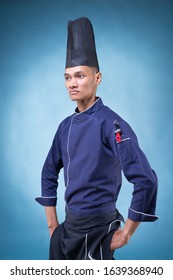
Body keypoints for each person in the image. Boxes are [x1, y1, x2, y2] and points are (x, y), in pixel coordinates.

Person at [36, 17, 158, 260]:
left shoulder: (113, 125)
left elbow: (145, 180)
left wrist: (125, 236)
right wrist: (53, 227)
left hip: (99, 231)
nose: (72, 83)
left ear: (97, 78)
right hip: (67, 231)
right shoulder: (64, 127)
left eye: (80, 75)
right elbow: (49, 172)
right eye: (67, 77)